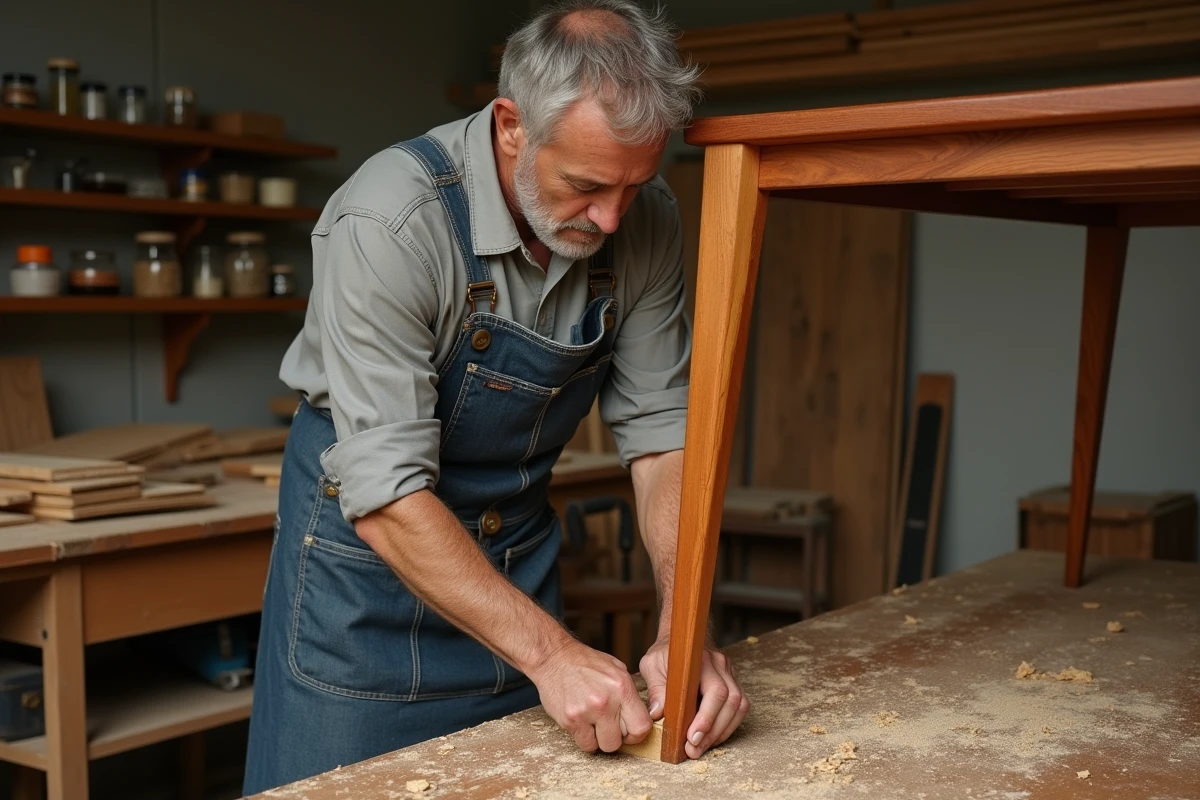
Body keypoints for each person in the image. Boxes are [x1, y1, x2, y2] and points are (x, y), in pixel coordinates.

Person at [242, 0, 749, 793]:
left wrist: (685, 632)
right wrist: (550, 654)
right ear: (512, 125)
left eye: (634, 184)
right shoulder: (393, 219)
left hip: (513, 573)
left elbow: (661, 438)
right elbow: (385, 491)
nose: (613, 217)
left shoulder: (642, 222)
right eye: (586, 185)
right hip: (364, 590)